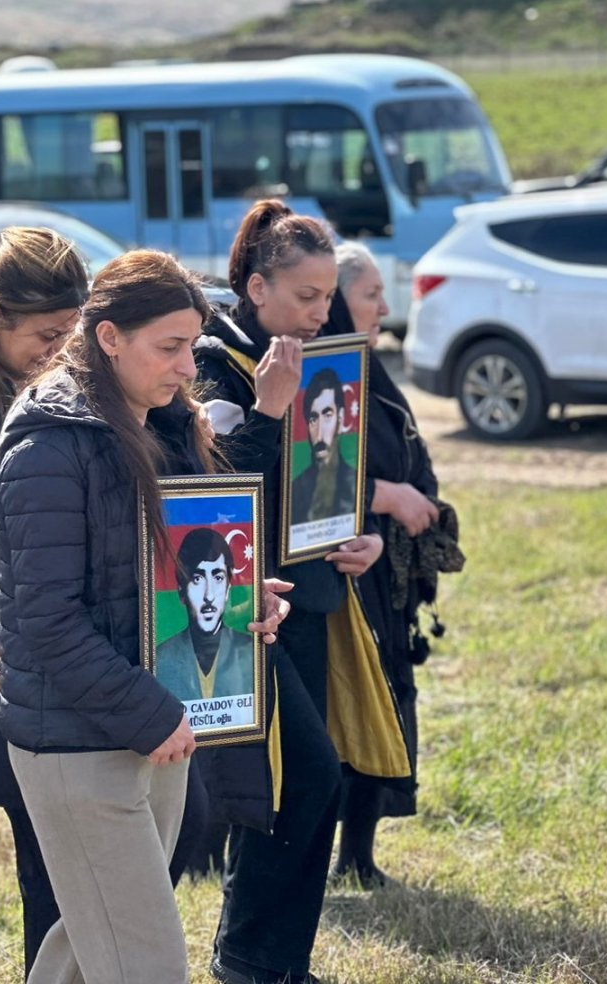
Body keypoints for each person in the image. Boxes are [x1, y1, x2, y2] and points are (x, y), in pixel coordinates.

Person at [0, 230, 216, 974]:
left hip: (117, 697)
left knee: (81, 931)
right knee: (86, 917)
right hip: (45, 704)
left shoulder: (131, 412)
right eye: (48, 335)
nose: (59, 349)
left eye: (70, 331)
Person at [0, 250, 291, 984]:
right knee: (146, 965)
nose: (189, 366)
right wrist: (150, 712)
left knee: (86, 947)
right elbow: (46, 621)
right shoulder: (47, 447)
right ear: (109, 338)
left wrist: (251, 607)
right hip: (77, 741)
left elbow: (174, 579)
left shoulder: (166, 427)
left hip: (154, 729)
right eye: (171, 347)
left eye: (192, 345)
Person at [194, 199, 394, 984]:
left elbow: (324, 482)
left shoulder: (318, 357)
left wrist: (358, 532)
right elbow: (215, 506)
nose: (323, 310)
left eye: (326, 297)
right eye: (307, 296)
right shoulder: (214, 366)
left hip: (312, 597)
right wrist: (270, 409)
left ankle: (282, 960)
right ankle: (243, 955)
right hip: (247, 613)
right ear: (255, 289)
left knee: (319, 779)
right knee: (296, 777)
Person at [324, 242, 441, 887]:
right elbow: (308, 475)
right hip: (346, 569)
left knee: (388, 698)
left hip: (383, 569)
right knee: (354, 705)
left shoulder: (366, 366)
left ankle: (357, 858)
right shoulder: (329, 373)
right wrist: (386, 497)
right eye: (371, 295)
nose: (385, 308)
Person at [155, 527, 257, 703]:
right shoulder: (160, 659)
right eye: (197, 579)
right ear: (181, 591)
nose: (209, 595)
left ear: (228, 589)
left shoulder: (251, 652)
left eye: (218, 578)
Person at [290, 366, 358, 527]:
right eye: (313, 419)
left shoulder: (353, 481)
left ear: (340, 418)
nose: (319, 434)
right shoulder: (295, 486)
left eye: (328, 415)